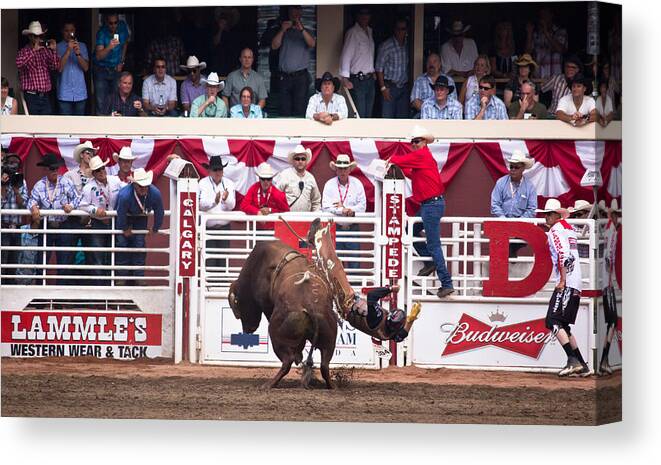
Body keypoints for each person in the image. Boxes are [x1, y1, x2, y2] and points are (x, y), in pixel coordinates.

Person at [387, 126, 454, 298]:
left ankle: (446, 283)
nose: (414, 145)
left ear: (424, 142)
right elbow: (413, 173)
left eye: (417, 141)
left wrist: (390, 160)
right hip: (429, 205)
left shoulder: (422, 155)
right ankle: (430, 262)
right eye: (413, 142)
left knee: (433, 244)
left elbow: (401, 161)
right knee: (410, 232)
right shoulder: (423, 158)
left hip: (430, 205)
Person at [537, 198, 589, 377]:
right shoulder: (569, 229)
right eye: (546, 214)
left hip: (567, 281)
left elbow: (563, 254)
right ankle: (582, 364)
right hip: (576, 282)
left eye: (549, 214)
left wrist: (562, 280)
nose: (546, 217)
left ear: (556, 215)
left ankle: (572, 360)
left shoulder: (555, 231)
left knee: (552, 321)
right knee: (563, 325)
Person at [28, 153, 82, 285]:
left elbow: (78, 198)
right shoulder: (39, 185)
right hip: (46, 225)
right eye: (52, 169)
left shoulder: (66, 182)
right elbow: (31, 200)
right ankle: (40, 297)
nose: (55, 171)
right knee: (42, 261)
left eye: (56, 169)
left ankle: (59, 297)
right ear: (46, 170)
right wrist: (33, 207)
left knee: (64, 261)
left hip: (63, 225)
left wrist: (71, 205)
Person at [115, 168, 164, 286]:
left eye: (146, 186)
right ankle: (122, 277)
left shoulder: (155, 193)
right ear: (134, 185)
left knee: (139, 244)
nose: (144, 189)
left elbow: (159, 211)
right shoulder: (124, 195)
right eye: (141, 186)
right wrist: (124, 228)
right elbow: (120, 213)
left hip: (141, 217)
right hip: (125, 218)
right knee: (122, 245)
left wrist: (156, 227)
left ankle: (138, 276)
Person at [79, 155, 122, 285]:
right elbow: (82, 205)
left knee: (112, 256)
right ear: (93, 173)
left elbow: (126, 191)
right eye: (98, 170)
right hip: (98, 223)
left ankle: (111, 288)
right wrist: (94, 210)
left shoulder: (115, 181)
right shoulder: (88, 187)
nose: (102, 172)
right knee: (97, 257)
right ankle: (99, 289)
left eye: (102, 168)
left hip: (114, 222)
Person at [321, 154, 366, 269]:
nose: (342, 171)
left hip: (353, 228)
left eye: (345, 168)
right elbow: (325, 207)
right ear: (336, 169)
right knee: (336, 263)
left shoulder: (357, 184)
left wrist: (348, 209)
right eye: (340, 168)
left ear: (349, 170)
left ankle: (354, 286)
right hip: (336, 228)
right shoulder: (329, 185)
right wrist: (342, 210)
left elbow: (363, 207)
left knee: (354, 263)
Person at [271, 5, 316, 117]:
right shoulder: (282, 29)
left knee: (300, 110)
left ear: (300, 12)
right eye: (292, 9)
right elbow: (274, 46)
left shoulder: (306, 31)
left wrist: (301, 29)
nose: (294, 13)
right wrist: (282, 29)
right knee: (284, 110)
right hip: (284, 77)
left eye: (297, 9)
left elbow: (312, 44)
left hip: (300, 77)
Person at [491, 150, 537, 257]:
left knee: (510, 248)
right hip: (502, 222)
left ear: (523, 169)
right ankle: (509, 256)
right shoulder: (501, 182)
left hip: (521, 225)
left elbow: (532, 209)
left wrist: (518, 222)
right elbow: (495, 204)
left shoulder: (529, 187)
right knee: (504, 247)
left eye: (516, 167)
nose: (513, 170)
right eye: (511, 167)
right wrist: (503, 218)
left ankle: (509, 256)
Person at [198, 156, 236, 269]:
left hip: (224, 227)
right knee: (209, 260)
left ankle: (221, 286)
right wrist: (214, 202)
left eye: (220, 169)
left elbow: (232, 205)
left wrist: (225, 199)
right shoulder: (202, 183)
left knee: (223, 260)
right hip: (208, 227)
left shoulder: (229, 183)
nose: (218, 172)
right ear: (209, 171)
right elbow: (200, 205)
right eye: (215, 170)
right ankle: (209, 285)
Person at [339, 7, 376, 118]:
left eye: (367, 13)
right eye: (362, 13)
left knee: (368, 115)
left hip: (369, 80)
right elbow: (346, 54)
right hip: (358, 80)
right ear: (357, 16)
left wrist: (373, 71)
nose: (365, 16)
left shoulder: (370, 31)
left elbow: (369, 54)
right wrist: (345, 78)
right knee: (360, 115)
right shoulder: (353, 32)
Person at [16, 21, 59, 115]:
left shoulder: (45, 51)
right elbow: (19, 64)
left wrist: (54, 51)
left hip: (45, 96)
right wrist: (34, 51)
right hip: (32, 96)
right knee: (33, 125)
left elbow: (55, 66)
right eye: (35, 36)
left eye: (40, 36)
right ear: (30, 36)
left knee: (46, 125)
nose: (38, 39)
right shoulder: (24, 51)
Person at [599, 199, 621, 376]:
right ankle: (604, 359)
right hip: (608, 285)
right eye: (616, 214)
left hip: (607, 284)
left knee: (610, 321)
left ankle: (604, 359)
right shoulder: (612, 232)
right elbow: (610, 259)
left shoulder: (608, 231)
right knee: (612, 321)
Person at [93, 13, 129, 115]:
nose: (113, 25)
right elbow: (99, 56)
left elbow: (125, 43)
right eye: (110, 23)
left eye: (115, 22)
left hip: (115, 69)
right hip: (101, 69)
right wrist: (109, 47)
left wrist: (122, 61)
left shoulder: (122, 27)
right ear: (106, 23)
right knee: (101, 101)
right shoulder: (101, 33)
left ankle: (114, 128)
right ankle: (100, 128)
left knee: (116, 100)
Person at [1, 153, 29, 284]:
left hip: (16, 228)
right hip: (3, 226)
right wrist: (3, 186)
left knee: (13, 261)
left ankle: (11, 291)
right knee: (2, 261)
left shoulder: (21, 181)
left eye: (16, 163)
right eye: (10, 162)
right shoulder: (1, 179)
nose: (13, 165)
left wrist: (16, 189)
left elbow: (24, 205)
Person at [375, 18, 409, 118]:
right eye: (398, 29)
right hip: (390, 87)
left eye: (403, 29)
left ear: (406, 30)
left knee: (403, 120)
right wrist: (383, 88)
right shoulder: (386, 46)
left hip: (404, 88)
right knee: (387, 119)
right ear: (394, 29)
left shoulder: (409, 44)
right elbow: (378, 68)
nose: (400, 31)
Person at [240, 163, 289, 229]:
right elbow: (243, 205)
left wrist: (270, 210)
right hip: (255, 227)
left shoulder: (278, 194)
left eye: (268, 179)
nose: (266, 182)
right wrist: (257, 212)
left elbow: (286, 212)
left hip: (272, 229)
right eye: (263, 179)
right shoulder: (253, 188)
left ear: (271, 180)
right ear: (259, 179)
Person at [275, 145, 321, 212]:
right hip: (288, 218)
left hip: (306, 219)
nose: (300, 161)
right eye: (297, 159)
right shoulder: (285, 175)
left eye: (303, 159)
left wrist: (315, 217)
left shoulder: (310, 177)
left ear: (306, 161)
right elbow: (275, 196)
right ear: (293, 161)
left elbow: (316, 201)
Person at [56, 21, 89, 115]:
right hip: (64, 93)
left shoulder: (82, 46)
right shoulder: (57, 47)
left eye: (71, 30)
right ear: (62, 31)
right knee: (65, 126)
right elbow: (59, 68)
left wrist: (78, 53)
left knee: (79, 126)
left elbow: (86, 68)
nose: (69, 33)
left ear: (75, 31)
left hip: (80, 93)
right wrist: (68, 50)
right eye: (66, 30)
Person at [525, 7, 568, 80]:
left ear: (551, 15)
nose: (543, 18)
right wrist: (529, 33)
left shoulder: (560, 32)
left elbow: (560, 49)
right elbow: (527, 53)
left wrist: (546, 32)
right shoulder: (536, 34)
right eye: (541, 15)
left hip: (555, 78)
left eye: (545, 15)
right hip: (538, 77)